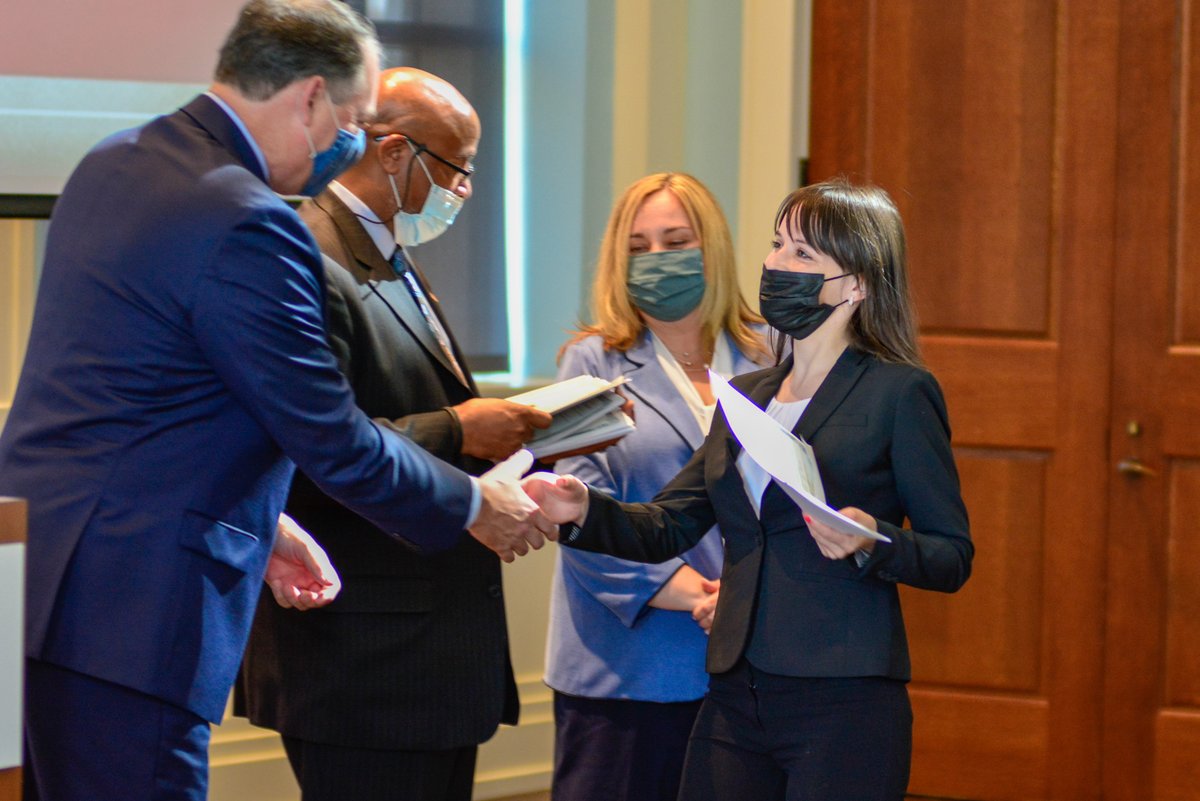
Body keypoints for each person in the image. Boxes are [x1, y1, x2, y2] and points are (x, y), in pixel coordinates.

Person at [0, 4, 553, 800]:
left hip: (43, 581)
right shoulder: (249, 220)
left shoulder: (113, 161)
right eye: (352, 124)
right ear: (310, 99)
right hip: (136, 611)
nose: (350, 147)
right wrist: (474, 502)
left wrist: (268, 521)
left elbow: (148, 398)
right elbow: (333, 437)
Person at [526, 178, 974, 801]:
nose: (775, 264)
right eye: (776, 245)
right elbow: (668, 525)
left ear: (857, 284)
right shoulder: (748, 395)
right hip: (735, 696)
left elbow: (951, 555)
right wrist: (581, 511)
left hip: (841, 700)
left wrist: (872, 540)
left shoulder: (900, 392)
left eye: (802, 255)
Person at [236, 66, 553, 801]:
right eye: (456, 168)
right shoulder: (306, 255)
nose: (464, 190)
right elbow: (306, 446)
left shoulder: (390, 254)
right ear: (391, 152)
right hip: (362, 659)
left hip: (425, 658)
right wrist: (458, 429)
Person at [544, 173, 768, 801]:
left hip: (752, 668)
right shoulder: (591, 362)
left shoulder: (771, 354)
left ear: (712, 247)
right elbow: (578, 512)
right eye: (638, 247)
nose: (656, 260)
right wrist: (702, 598)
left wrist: (743, 607)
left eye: (675, 241)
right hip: (628, 669)